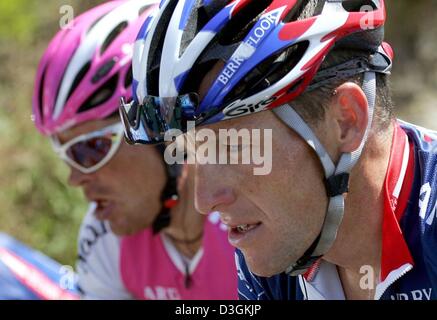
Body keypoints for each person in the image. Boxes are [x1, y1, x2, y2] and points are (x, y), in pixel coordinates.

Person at [121, 0, 437, 300]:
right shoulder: (280, 247)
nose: (204, 201)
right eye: (190, 152)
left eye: (234, 148)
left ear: (345, 121)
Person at [32, 0, 237, 300]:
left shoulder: (250, 215)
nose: (74, 179)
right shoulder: (104, 240)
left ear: (163, 131)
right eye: (65, 154)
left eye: (90, 148)